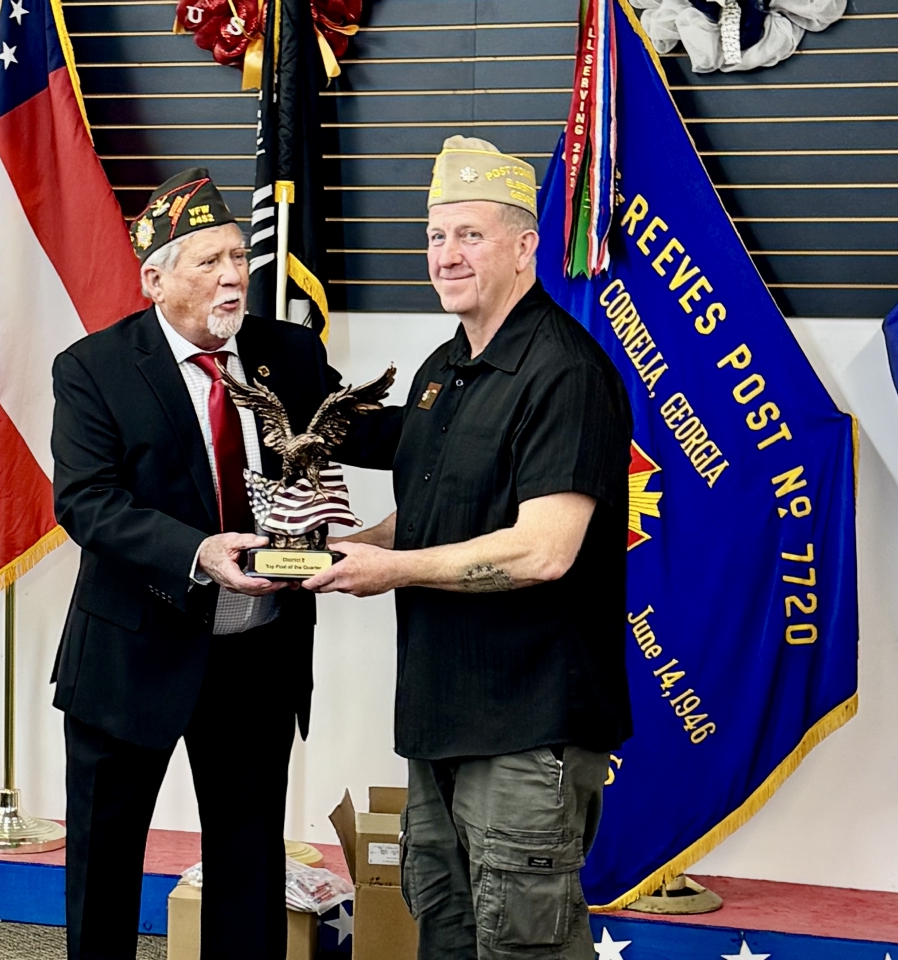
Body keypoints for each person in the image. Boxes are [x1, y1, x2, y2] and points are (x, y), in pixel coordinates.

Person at [49, 168, 395, 960]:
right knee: (104, 868)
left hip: (257, 652)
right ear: (155, 280)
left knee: (249, 868)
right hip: (131, 655)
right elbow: (87, 503)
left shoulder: (288, 352)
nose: (234, 276)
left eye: (239, 256)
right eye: (209, 262)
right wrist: (197, 551)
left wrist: (482, 422)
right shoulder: (94, 368)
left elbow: (365, 431)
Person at [303, 136, 634, 959]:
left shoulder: (564, 372)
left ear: (525, 246)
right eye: (435, 236)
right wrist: (339, 551)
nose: (446, 255)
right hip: (439, 719)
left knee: (524, 946)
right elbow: (433, 515)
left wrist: (391, 570)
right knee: (446, 936)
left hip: (526, 727)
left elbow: (543, 550)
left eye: (470, 235)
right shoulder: (441, 369)